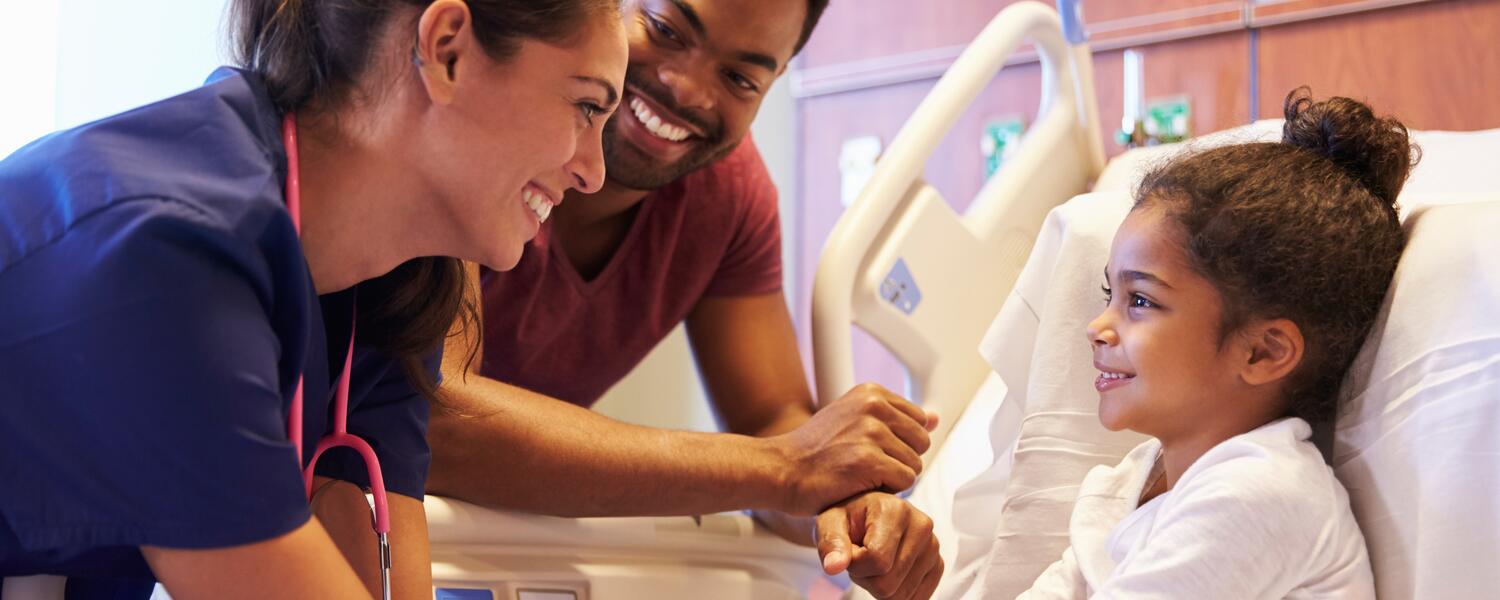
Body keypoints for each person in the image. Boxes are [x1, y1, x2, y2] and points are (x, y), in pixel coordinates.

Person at [0, 0, 626, 598]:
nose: (594, 172)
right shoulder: (166, 253)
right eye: (587, 106)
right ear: (448, 51)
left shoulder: (384, 285)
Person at [425, 0, 945, 598]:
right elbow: (441, 419)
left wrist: (845, 506)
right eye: (666, 30)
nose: (685, 88)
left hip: (481, 546)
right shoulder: (474, 112)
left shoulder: (727, 197)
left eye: (740, 78)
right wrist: (785, 469)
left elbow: (775, 422)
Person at [1016, 89, 1411, 598]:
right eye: (1109, 293)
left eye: (1140, 301)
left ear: (1262, 352)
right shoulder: (1139, 477)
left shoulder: (1261, 494)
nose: (1098, 327)